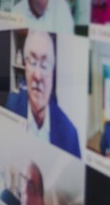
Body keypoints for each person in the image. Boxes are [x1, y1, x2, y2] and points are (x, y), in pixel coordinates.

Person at [5, 30, 81, 158]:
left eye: (45, 65)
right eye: (32, 62)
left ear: (53, 72)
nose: (38, 75)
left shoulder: (70, 135)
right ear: (25, 66)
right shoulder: (12, 105)